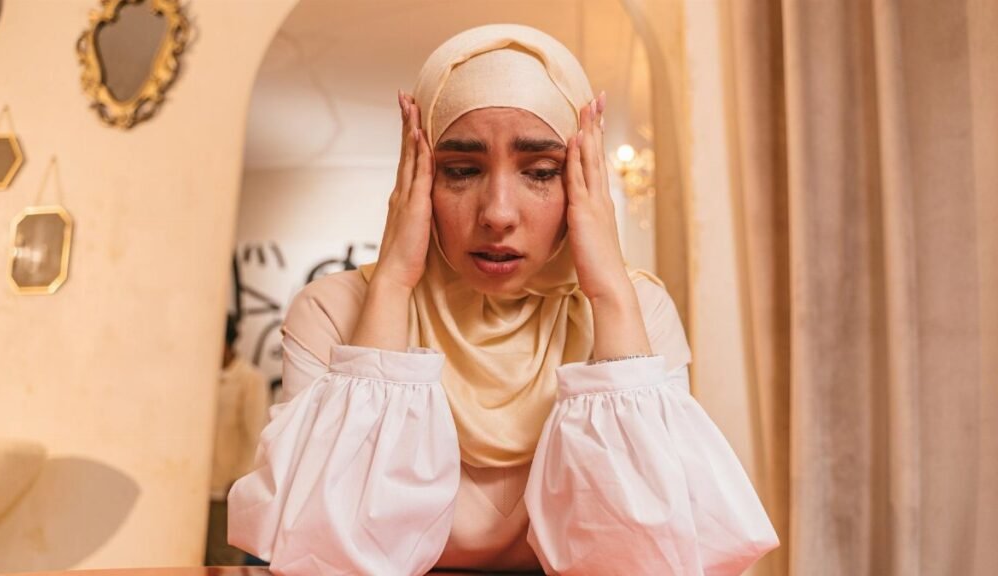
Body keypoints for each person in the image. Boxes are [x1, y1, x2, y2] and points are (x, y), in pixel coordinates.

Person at [228, 24, 778, 575]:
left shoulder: (636, 310)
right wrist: (393, 281)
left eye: (541, 172)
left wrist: (609, 288)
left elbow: (647, 558)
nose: (497, 213)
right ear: (416, 179)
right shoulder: (332, 310)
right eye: (461, 171)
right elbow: (326, 555)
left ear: (581, 182)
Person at [206, 314, 269, 566]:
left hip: (226, 489)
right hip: (199, 488)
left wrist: (240, 479)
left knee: (222, 561)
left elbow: (256, 433)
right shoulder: (199, 377)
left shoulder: (250, 380)